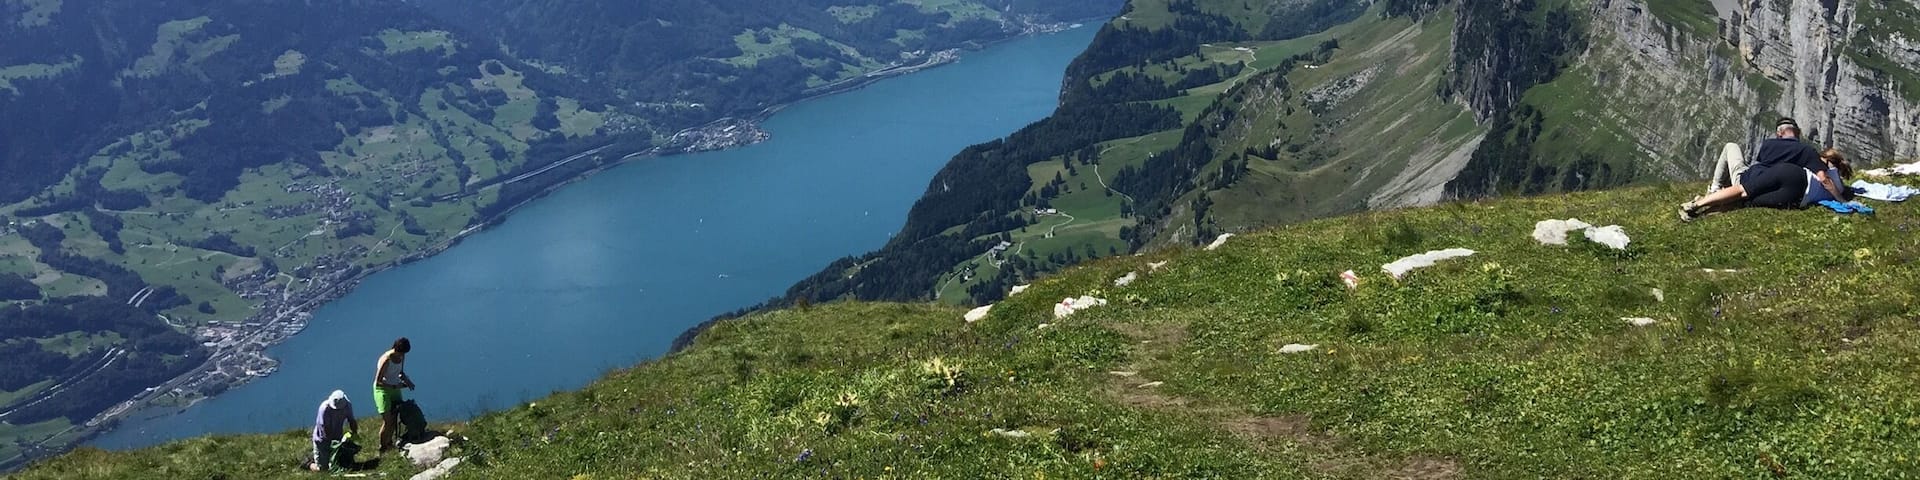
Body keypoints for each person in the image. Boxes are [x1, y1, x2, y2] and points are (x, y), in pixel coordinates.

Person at [1680, 118, 1849, 220]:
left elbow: (1762, 164)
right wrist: (1842, 200)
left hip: (1754, 177)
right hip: (1778, 185)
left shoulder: (1768, 145)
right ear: (1797, 133)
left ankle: (1714, 189)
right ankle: (1703, 211)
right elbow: (1821, 177)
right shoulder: (1807, 151)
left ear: (1779, 133)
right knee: (1743, 200)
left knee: (1731, 147)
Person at [374, 337, 416, 454]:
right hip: (382, 390)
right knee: (387, 421)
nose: (402, 356)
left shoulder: (402, 356)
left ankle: (389, 443)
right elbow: (378, 381)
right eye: (401, 353)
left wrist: (408, 381)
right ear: (396, 349)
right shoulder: (386, 360)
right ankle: (382, 447)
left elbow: (400, 373)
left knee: (394, 418)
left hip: (394, 388)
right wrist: (394, 387)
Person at [311, 390, 358, 472]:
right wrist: (333, 444)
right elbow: (325, 429)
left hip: (337, 436)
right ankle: (309, 463)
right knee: (323, 469)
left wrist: (354, 433)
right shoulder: (324, 409)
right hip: (322, 439)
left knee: (338, 462)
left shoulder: (347, 405)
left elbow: (351, 420)